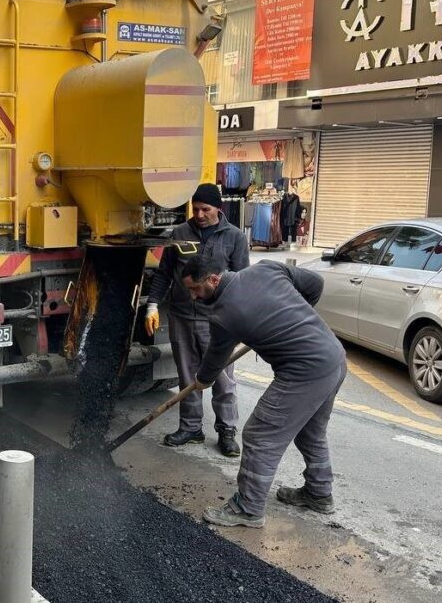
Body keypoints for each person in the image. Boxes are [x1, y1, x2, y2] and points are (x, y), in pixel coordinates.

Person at [179, 255, 347, 528]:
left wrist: (202, 380)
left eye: (196, 289)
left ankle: (248, 508)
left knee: (260, 435)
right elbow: (315, 283)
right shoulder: (267, 268)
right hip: (333, 357)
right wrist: (297, 314)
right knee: (310, 431)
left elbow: (215, 358)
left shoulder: (223, 314)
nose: (194, 297)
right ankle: (319, 493)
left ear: (214, 279)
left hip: (304, 371)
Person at [144, 183, 248, 457]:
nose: (199, 214)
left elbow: (242, 279)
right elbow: (165, 273)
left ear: (218, 209)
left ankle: (227, 431)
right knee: (188, 377)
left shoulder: (234, 237)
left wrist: (238, 317)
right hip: (182, 316)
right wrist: (152, 305)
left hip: (218, 320)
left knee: (223, 379)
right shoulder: (180, 233)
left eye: (205, 209)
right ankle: (191, 428)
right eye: (195, 208)